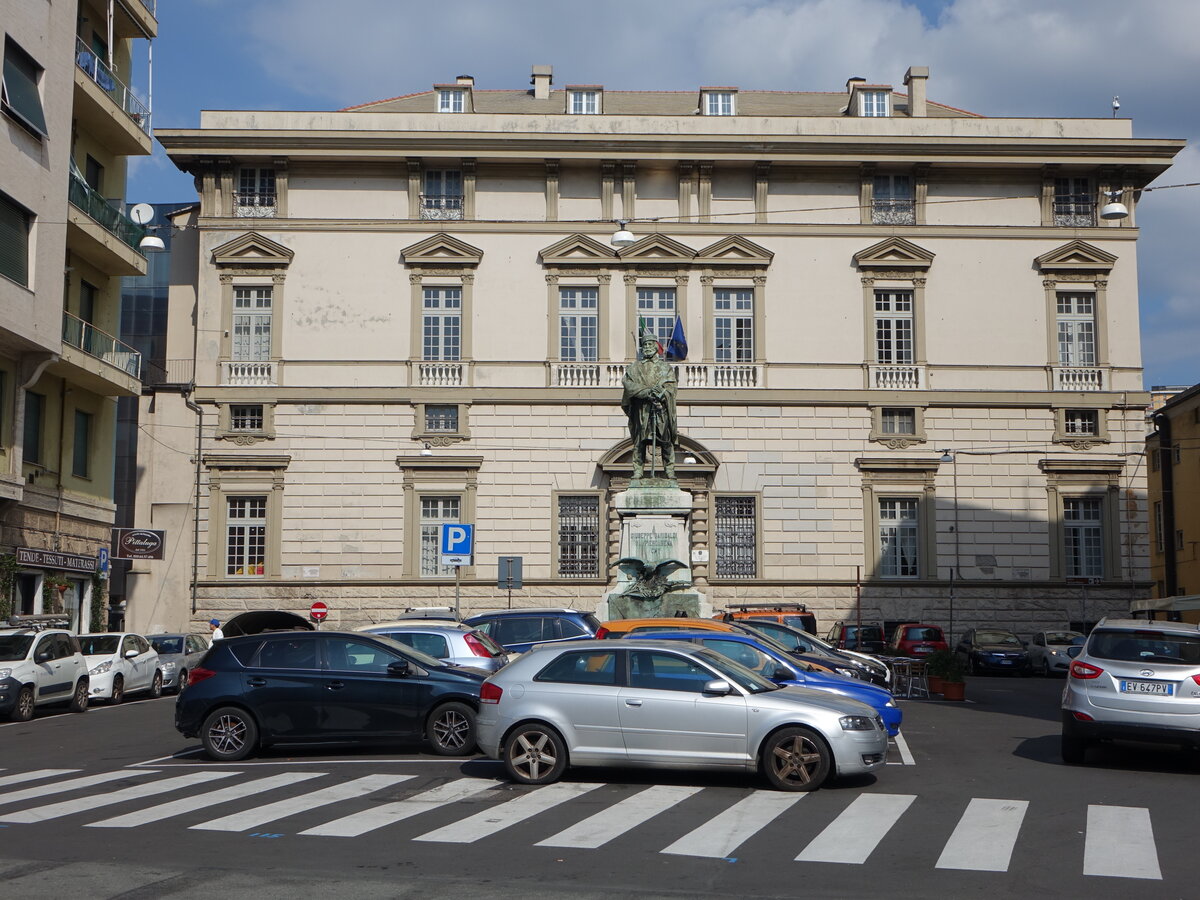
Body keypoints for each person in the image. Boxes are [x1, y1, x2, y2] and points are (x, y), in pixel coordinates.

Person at [621, 334, 678, 480]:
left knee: (665, 439)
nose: (646, 348)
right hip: (642, 409)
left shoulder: (665, 368)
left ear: (656, 347)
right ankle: (638, 470)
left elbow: (671, 387)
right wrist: (646, 392)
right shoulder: (634, 368)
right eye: (644, 345)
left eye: (649, 345)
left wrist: (661, 393)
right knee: (640, 441)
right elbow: (628, 385)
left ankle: (669, 469)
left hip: (660, 409)